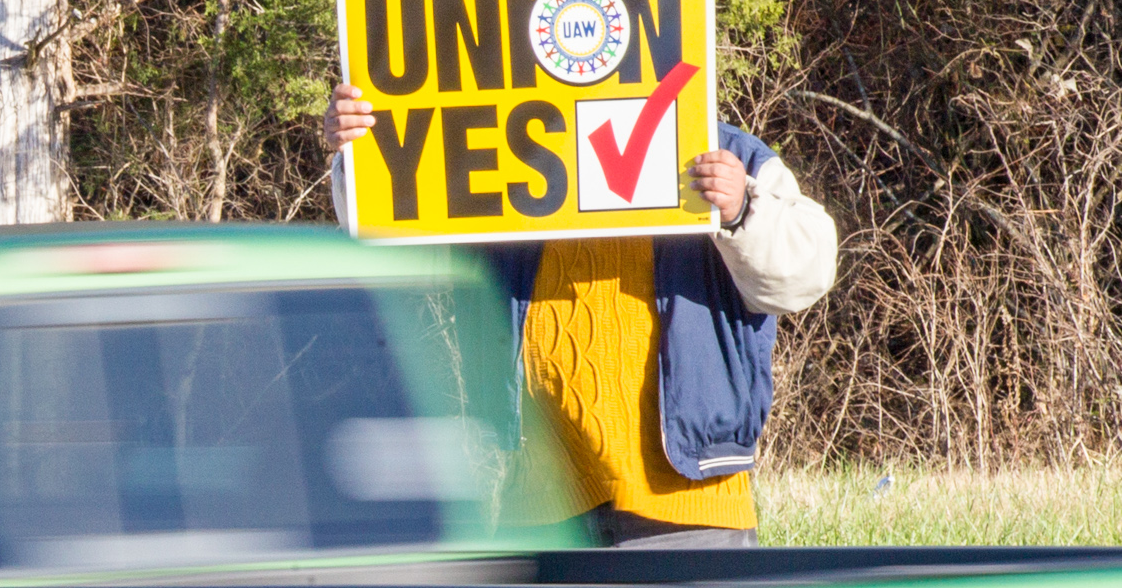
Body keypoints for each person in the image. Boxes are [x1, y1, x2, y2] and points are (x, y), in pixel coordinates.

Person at [324, 83, 838, 548]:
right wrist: (366, 155)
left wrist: (741, 207)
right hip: (541, 510)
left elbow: (808, 270)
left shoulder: (727, 154)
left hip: (688, 507)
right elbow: (390, 244)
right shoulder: (493, 153)